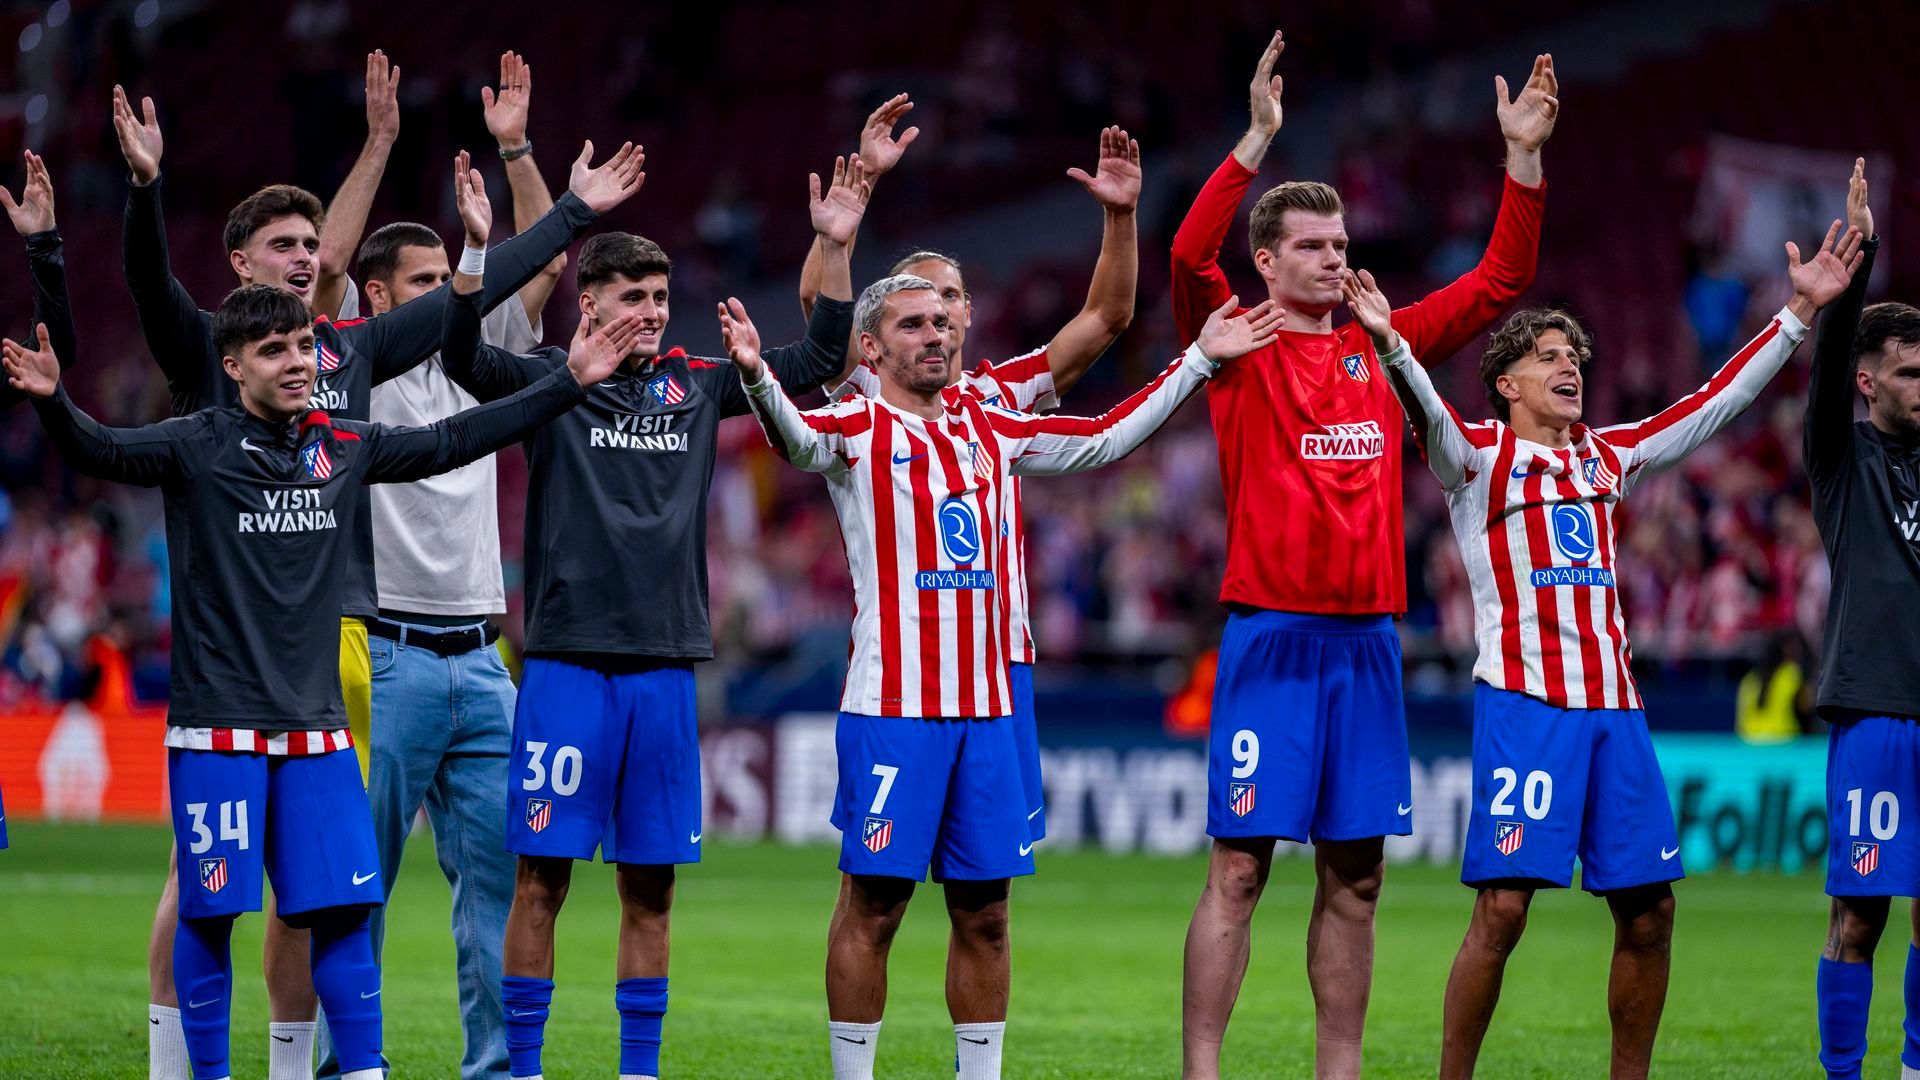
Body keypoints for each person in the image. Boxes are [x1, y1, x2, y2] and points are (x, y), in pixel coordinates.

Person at [108, 59, 642, 1074]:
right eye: (286, 247)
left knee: (348, 886)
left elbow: (487, 315)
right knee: (220, 885)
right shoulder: (240, 354)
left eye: (313, 250)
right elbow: (188, 286)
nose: (308, 261)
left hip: (406, 652)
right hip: (294, 655)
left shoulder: (372, 360)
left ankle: (354, 1066)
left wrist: (562, 201)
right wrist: (141, 192)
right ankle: (192, 1066)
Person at [0, 264, 646, 1080]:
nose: (299, 361)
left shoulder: (344, 447)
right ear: (232, 368)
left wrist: (568, 383)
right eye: (274, 351)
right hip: (217, 731)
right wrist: (56, 400)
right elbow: (98, 449)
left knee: (341, 910)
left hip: (319, 733)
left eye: (305, 344)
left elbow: (454, 439)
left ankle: (364, 1072)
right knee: (210, 915)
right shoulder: (195, 445)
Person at [733, 273, 1281, 1080]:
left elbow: (1104, 435)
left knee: (986, 913)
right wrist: (755, 374)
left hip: (988, 711)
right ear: (873, 348)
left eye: (942, 321)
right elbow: (794, 439)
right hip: (894, 707)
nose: (937, 335)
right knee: (874, 907)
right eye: (913, 325)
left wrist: (1197, 357)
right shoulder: (854, 422)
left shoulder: (991, 421)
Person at [1349, 218, 1861, 1077]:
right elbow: (1428, 414)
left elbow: (1715, 404)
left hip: (1615, 713)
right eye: (1548, 355)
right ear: (1506, 382)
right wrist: (1397, 347)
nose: (1568, 365)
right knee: (1505, 910)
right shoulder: (1475, 460)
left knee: (1651, 912)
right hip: (1525, 704)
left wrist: (1797, 315)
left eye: (1574, 354)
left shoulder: (1607, 457)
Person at [1170, 32, 1554, 1078]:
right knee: (1240, 871)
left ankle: (1337, 1072)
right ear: (1268, 259)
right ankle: (1203, 1069)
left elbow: (1502, 278)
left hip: (1368, 645)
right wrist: (1252, 141)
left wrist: (1521, 157)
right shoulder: (1235, 342)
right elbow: (1184, 257)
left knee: (1359, 879)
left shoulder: (1382, 345)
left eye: (1342, 244)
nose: (1337, 258)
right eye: (1313, 246)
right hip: (1271, 641)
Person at [434, 160, 863, 1080]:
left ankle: (638, 1073)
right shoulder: (553, 379)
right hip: (563, 670)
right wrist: (475, 252)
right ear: (587, 305)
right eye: (634, 297)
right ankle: (523, 1071)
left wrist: (833, 243)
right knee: (540, 881)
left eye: (663, 296)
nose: (655, 313)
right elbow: (461, 357)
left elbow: (822, 365)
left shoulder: (699, 382)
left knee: (651, 890)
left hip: (667, 670)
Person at [311, 53, 568, 1080]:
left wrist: (516, 152)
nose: (447, 296)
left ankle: (499, 1069)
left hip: (480, 660)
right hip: (386, 655)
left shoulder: (475, 354)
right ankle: (347, 1065)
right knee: (356, 881)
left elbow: (544, 269)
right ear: (380, 295)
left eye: (447, 282)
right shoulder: (345, 366)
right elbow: (323, 271)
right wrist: (378, 144)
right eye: (424, 285)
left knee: (502, 886)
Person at [800, 101, 1143, 863]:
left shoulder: (998, 395)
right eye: (920, 303)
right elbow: (820, 325)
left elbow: (1108, 317)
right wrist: (845, 227)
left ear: (970, 314)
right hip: (903, 667)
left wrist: (1120, 219)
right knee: (877, 885)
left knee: (989, 895)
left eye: (952, 298)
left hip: (999, 663)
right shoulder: (869, 392)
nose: (940, 317)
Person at [1806, 163, 1920, 1080]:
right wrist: (1859, 269)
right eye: (1913, 373)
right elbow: (1827, 361)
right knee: (1860, 912)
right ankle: (1843, 1075)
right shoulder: (1843, 462)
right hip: (1873, 706)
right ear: (1866, 383)